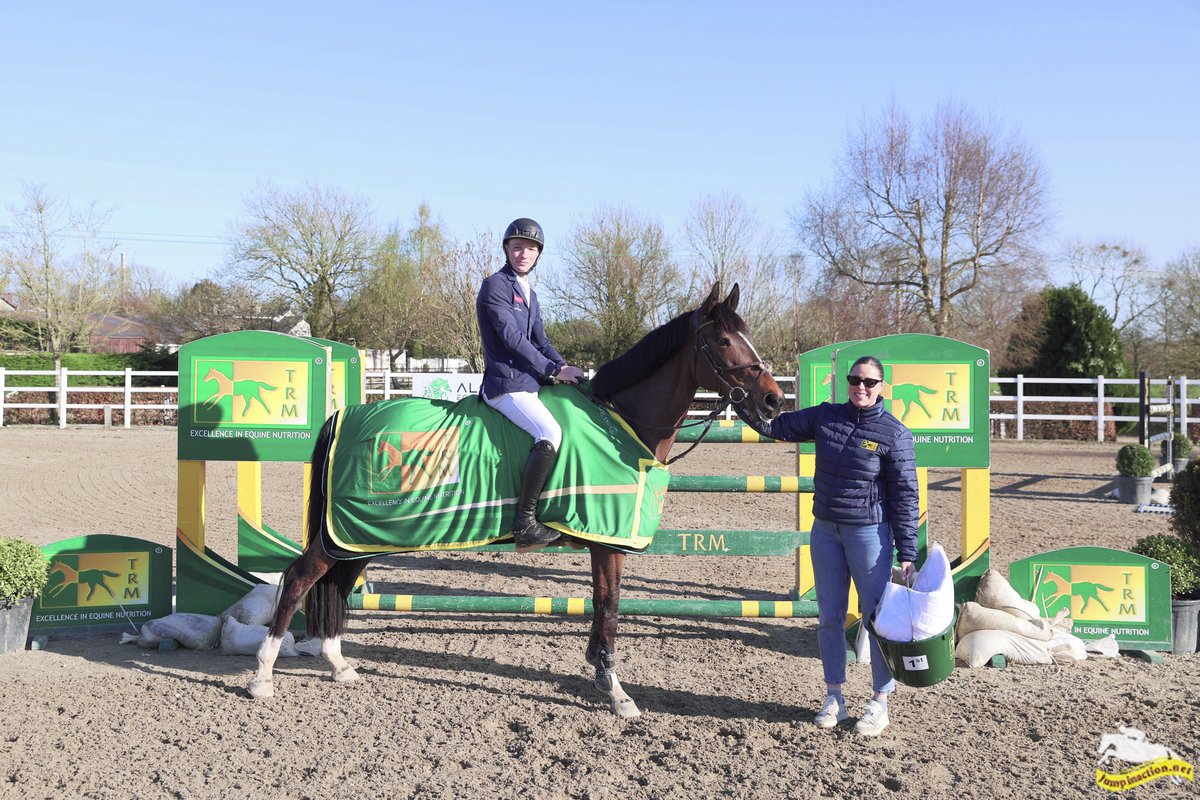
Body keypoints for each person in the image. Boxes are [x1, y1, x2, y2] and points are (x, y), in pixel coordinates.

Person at [738, 355, 918, 737]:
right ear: (847, 382)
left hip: (870, 534)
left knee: (876, 618)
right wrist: (741, 401)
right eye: (855, 380)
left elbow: (905, 495)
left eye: (870, 382)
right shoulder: (826, 416)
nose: (861, 387)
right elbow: (776, 427)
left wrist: (907, 552)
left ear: (881, 386)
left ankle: (880, 702)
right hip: (825, 531)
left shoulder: (895, 434)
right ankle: (834, 695)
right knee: (829, 618)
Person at [476, 218, 585, 552]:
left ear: (538, 255)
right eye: (518, 247)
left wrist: (566, 367)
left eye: (531, 248)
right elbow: (511, 339)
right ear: (507, 249)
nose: (524, 253)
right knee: (549, 432)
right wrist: (552, 369)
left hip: (528, 383)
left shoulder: (530, 295)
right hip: (505, 384)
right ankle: (525, 523)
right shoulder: (495, 285)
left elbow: (541, 340)